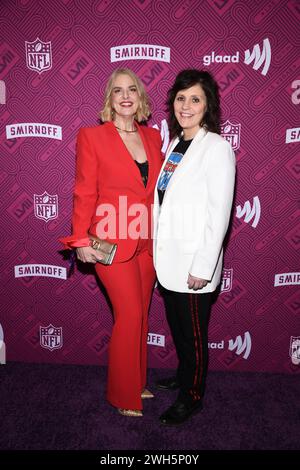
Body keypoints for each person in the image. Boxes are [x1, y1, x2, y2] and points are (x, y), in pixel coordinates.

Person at [60, 68, 162, 417]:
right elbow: (84, 191)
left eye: (131, 89)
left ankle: (137, 382)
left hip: (147, 240)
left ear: (140, 96)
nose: (125, 96)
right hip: (111, 240)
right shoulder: (92, 136)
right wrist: (79, 239)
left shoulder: (153, 138)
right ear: (109, 99)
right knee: (129, 315)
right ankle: (122, 395)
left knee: (142, 317)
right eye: (117, 90)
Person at [153, 69, 236, 426]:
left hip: (193, 265)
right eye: (181, 98)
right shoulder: (174, 145)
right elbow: (164, 201)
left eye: (195, 99)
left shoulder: (216, 148)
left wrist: (203, 266)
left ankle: (193, 395)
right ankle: (184, 376)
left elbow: (219, 214)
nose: (186, 105)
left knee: (195, 336)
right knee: (179, 330)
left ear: (208, 106)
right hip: (168, 261)